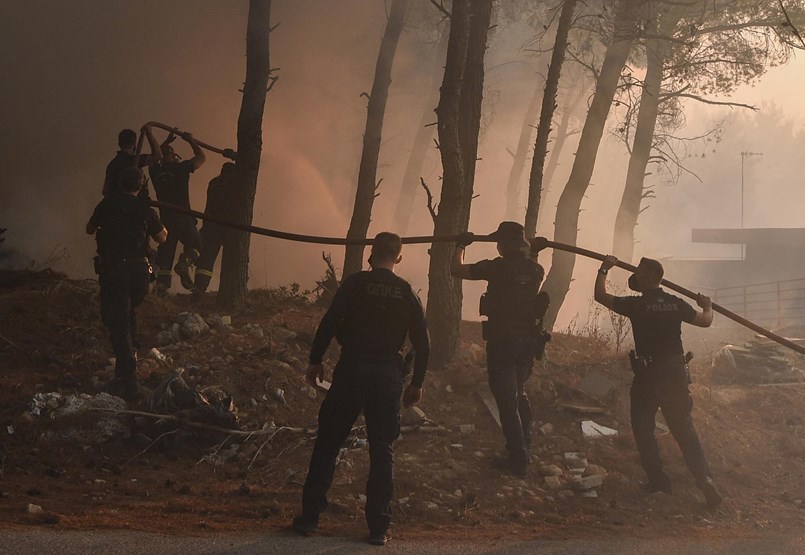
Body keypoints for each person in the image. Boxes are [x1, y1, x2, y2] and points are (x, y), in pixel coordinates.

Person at [293, 232, 430, 546]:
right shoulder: (407, 292)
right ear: (398, 257)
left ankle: (309, 518)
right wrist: (416, 383)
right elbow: (423, 344)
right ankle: (379, 527)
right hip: (387, 377)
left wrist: (316, 360)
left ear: (371, 254)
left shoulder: (355, 284)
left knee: (329, 441)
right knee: (382, 449)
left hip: (352, 370)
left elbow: (329, 322)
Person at [594, 255, 723, 509]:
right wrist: (707, 305)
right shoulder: (675, 303)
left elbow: (601, 296)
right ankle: (705, 479)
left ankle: (659, 482)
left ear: (651, 277)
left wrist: (604, 268)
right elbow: (705, 321)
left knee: (643, 429)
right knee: (684, 429)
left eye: (640, 272)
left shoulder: (637, 305)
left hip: (648, 375)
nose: (635, 276)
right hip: (675, 373)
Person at [451, 222, 550, 478]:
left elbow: (457, 269)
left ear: (504, 245)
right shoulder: (536, 270)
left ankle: (517, 459)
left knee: (507, 402)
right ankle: (523, 449)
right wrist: (536, 251)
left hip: (503, 342)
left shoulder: (495, 268)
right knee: (520, 393)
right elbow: (527, 274)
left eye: (499, 242)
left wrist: (460, 245)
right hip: (527, 343)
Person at [87, 167, 167, 401]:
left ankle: (130, 382)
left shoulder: (107, 205)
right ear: (140, 186)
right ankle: (126, 368)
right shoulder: (145, 209)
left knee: (118, 323)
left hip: (115, 272)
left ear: (120, 184)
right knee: (128, 313)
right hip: (140, 274)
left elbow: (89, 228)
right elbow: (162, 237)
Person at [149, 132, 206, 292]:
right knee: (196, 245)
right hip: (183, 217)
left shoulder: (155, 172)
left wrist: (165, 142)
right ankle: (184, 263)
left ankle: (161, 288)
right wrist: (191, 140)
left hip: (165, 219)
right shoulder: (181, 168)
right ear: (174, 156)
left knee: (166, 256)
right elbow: (201, 157)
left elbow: (156, 155)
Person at [193, 162, 236, 293]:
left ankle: (199, 290)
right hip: (228, 228)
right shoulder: (235, 185)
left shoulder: (214, 182)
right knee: (232, 260)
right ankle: (230, 291)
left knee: (206, 260)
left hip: (210, 225)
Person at [103, 124, 162, 200]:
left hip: (115, 207)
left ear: (119, 144)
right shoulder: (134, 160)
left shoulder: (112, 165)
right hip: (136, 206)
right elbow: (158, 156)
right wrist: (149, 133)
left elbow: (105, 191)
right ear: (134, 144)